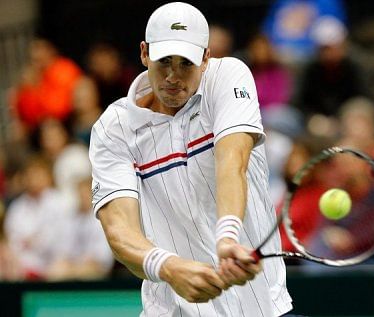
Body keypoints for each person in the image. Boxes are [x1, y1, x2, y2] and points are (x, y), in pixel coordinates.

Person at [89, 3, 292, 316]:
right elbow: (119, 231)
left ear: (206, 59)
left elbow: (232, 162)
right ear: (144, 53)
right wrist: (169, 267)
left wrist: (227, 237)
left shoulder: (229, 77)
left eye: (186, 63)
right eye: (163, 61)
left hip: (262, 307)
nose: (173, 76)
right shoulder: (112, 128)